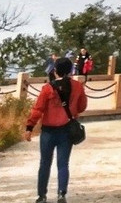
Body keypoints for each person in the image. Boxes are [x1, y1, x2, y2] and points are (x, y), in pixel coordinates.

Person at [24, 56, 87, 203]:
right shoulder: (77, 86)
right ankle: (61, 194)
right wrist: (72, 110)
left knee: (44, 163)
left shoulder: (47, 88)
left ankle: (42, 196)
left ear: (55, 70)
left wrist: (29, 127)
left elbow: (38, 109)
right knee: (63, 164)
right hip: (66, 131)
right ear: (70, 70)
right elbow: (82, 106)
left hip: (48, 131)